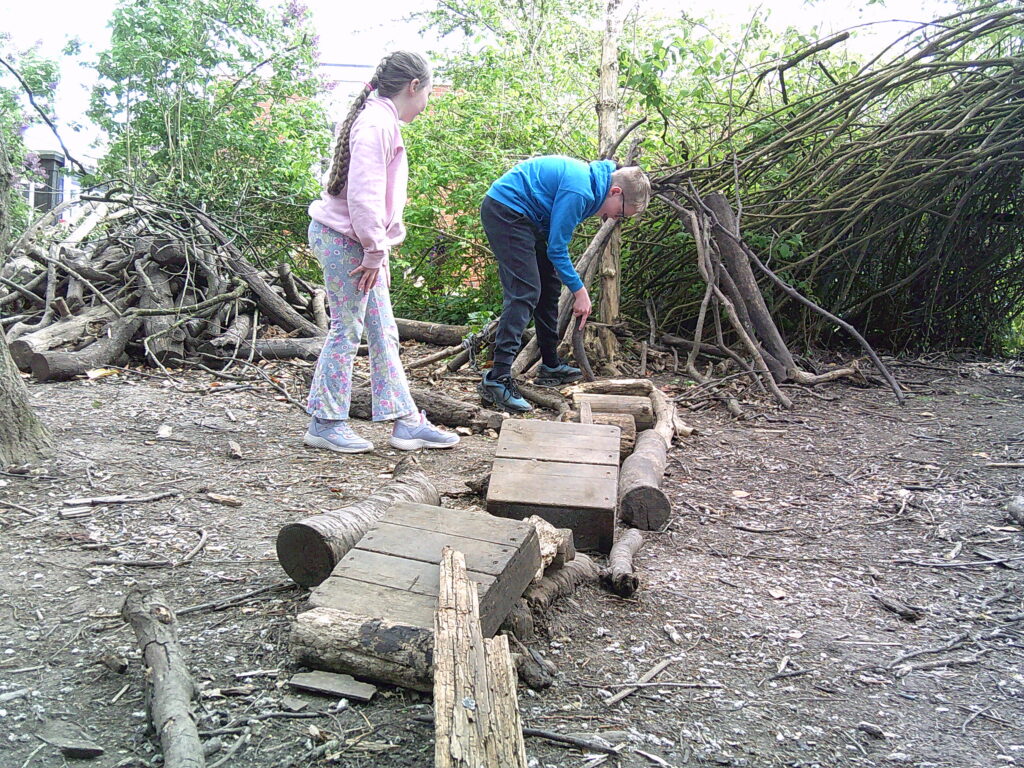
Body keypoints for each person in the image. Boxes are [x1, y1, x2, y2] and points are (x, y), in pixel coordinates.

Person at [303, 52, 459, 454]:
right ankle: (324, 422)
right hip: (345, 240)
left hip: (360, 242)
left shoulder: (380, 119)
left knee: (383, 329)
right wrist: (374, 251)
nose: (426, 103)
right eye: (428, 93)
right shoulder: (376, 124)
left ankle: (406, 421)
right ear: (414, 87)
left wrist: (378, 250)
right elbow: (363, 197)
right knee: (346, 329)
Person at [477, 156, 651, 412]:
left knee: (549, 287)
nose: (616, 218)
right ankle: (498, 378)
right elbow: (557, 249)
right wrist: (580, 292)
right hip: (506, 211)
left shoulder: (592, 189)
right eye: (621, 213)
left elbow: (555, 241)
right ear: (615, 192)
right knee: (525, 292)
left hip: (530, 219)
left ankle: (550, 365)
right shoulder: (580, 191)